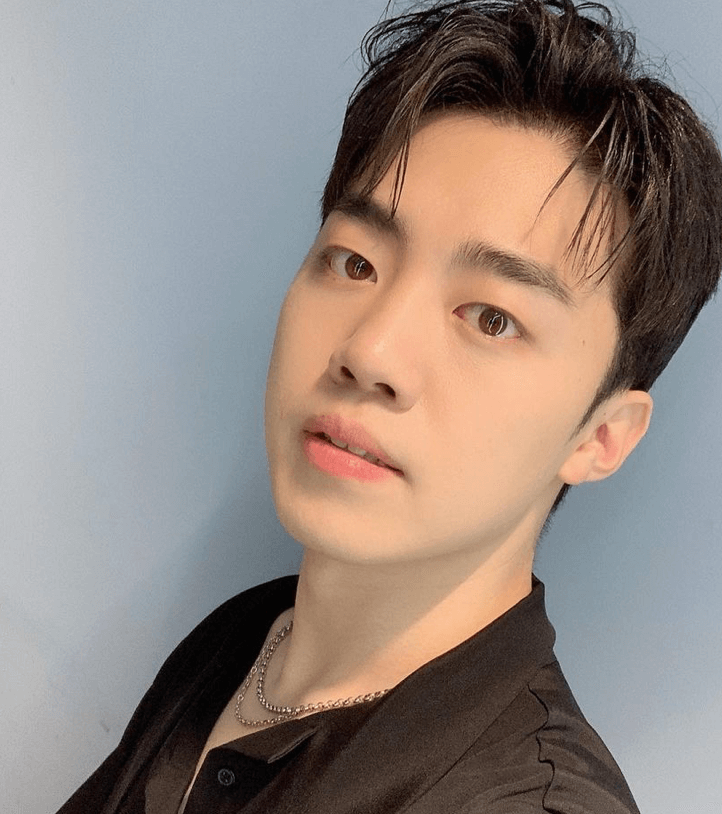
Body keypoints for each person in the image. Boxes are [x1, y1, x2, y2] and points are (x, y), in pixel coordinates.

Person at [57, 1, 722, 812]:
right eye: (355, 263)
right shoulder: (245, 643)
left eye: (491, 319)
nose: (370, 352)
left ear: (602, 437)